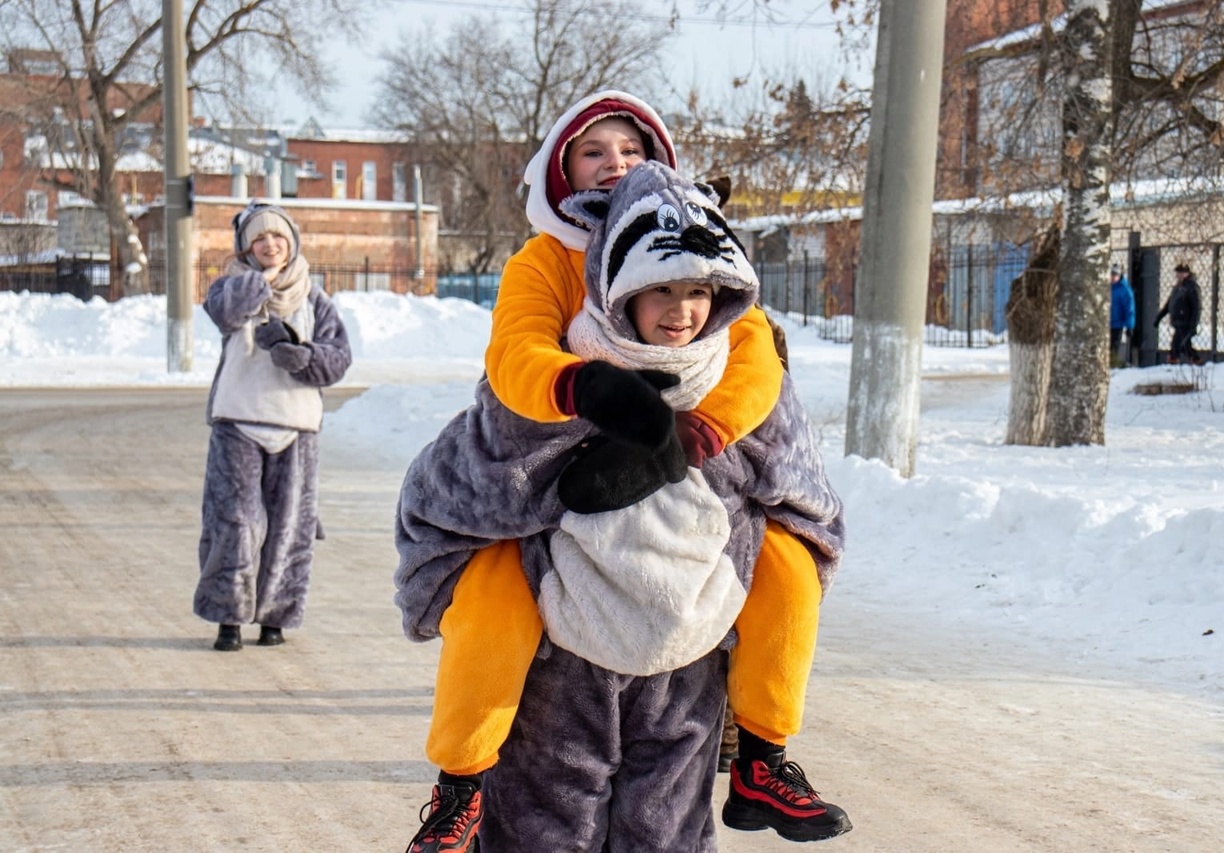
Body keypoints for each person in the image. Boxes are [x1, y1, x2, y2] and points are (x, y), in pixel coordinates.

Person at [398, 91, 849, 852]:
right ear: (560, 171)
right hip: (565, 445)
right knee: (496, 594)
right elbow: (515, 355)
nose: (615, 164)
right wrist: (585, 393)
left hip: (687, 482)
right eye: (594, 152)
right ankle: (460, 783)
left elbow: (753, 355)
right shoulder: (545, 261)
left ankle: (763, 754)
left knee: (785, 567)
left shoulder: (698, 253)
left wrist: (700, 431)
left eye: (632, 151)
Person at [195, 201, 351, 652]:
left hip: (296, 426)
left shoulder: (315, 299)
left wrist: (297, 355)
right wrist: (259, 284)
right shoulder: (231, 287)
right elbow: (224, 315)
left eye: (278, 236)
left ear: (292, 241)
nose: (270, 244)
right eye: (259, 238)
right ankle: (228, 618)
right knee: (236, 522)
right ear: (246, 246)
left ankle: (274, 618)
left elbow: (337, 360)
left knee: (289, 528)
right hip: (237, 422)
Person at [1154, 262, 1202, 365]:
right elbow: (1169, 304)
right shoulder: (1177, 288)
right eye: (1178, 273)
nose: (1178, 275)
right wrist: (1159, 317)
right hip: (1177, 321)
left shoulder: (1192, 287)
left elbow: (1196, 308)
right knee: (1185, 345)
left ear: (1187, 273)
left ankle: (1173, 359)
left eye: (1181, 273)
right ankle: (1196, 360)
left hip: (1185, 322)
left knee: (1176, 344)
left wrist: (1193, 324)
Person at [1109, 263, 1135, 367]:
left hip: (1117, 324)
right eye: (1111, 274)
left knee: (1114, 347)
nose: (1113, 277)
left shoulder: (1125, 290)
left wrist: (1129, 326)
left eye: (1115, 275)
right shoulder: (1107, 287)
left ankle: (1114, 364)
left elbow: (1129, 309)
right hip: (1106, 323)